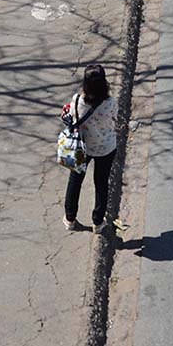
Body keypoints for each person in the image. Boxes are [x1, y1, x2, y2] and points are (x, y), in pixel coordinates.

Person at [62, 65, 117, 233]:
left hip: (82, 147)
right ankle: (98, 222)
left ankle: (70, 218)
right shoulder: (110, 103)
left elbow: (71, 115)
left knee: (75, 181)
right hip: (106, 147)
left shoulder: (77, 100)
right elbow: (113, 120)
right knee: (101, 183)